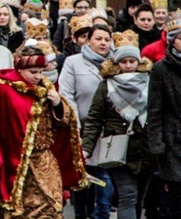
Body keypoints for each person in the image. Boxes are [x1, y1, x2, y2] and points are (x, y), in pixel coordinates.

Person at [0, 42, 88, 217]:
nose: (38, 76)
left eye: (41, 72)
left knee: (50, 208)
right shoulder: (1, 89)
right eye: (33, 72)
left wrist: (58, 105)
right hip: (12, 164)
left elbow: (63, 124)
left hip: (44, 162)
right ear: (19, 69)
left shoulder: (46, 89)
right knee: (18, 211)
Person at [82, 30, 154, 219]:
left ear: (139, 61)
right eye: (124, 61)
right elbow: (95, 118)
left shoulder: (150, 83)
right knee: (127, 197)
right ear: (117, 63)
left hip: (146, 147)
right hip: (119, 147)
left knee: (139, 198)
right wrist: (86, 148)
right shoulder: (106, 86)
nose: (128, 65)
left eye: (132, 61)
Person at [59, 24, 115, 219]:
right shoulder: (73, 62)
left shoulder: (116, 62)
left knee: (103, 173)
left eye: (106, 39)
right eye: (98, 38)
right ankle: (80, 214)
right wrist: (75, 126)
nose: (103, 43)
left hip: (109, 129)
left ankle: (102, 214)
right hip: (82, 127)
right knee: (82, 174)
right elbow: (66, 94)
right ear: (89, 40)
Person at [148, 11, 181, 218]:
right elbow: (154, 110)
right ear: (171, 41)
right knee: (177, 201)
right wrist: (157, 145)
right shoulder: (161, 69)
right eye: (180, 38)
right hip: (173, 141)